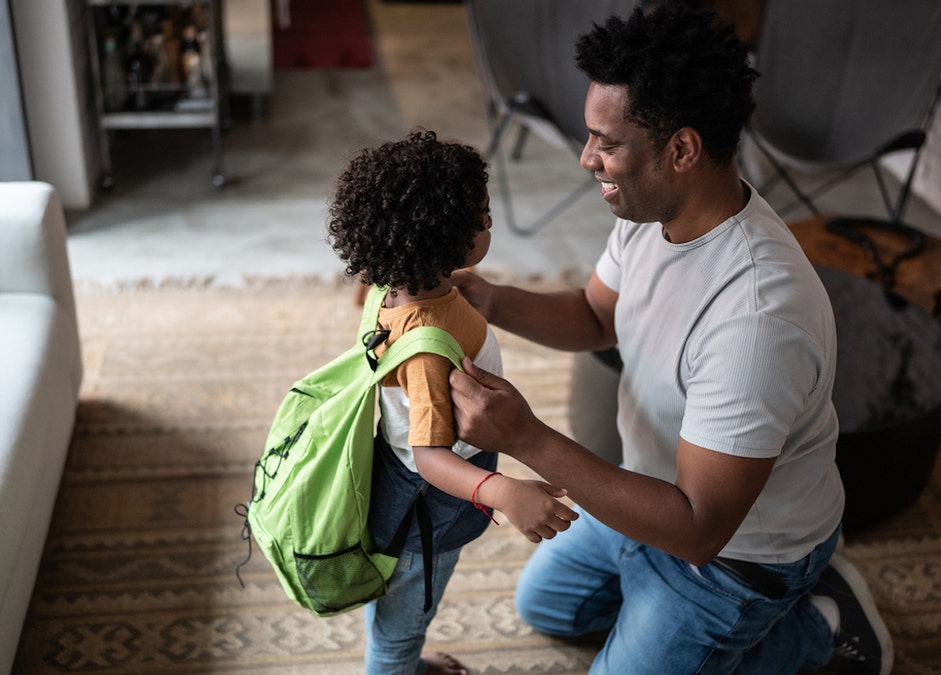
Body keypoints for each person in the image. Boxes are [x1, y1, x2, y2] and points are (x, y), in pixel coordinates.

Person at [447, 6, 893, 674]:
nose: (585, 157)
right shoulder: (651, 211)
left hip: (733, 556)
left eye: (605, 141)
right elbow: (596, 316)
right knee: (547, 605)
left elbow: (697, 527)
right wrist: (487, 297)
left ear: (680, 150)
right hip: (650, 493)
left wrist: (528, 437)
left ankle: (819, 625)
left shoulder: (756, 316)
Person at [326, 129, 579, 675]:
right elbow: (431, 457)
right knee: (403, 620)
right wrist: (504, 491)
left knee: (407, 609)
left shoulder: (393, 286)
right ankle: (400, 662)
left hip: (407, 486)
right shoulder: (429, 347)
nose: (490, 225)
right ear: (444, 241)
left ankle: (409, 659)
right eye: (483, 220)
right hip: (425, 503)